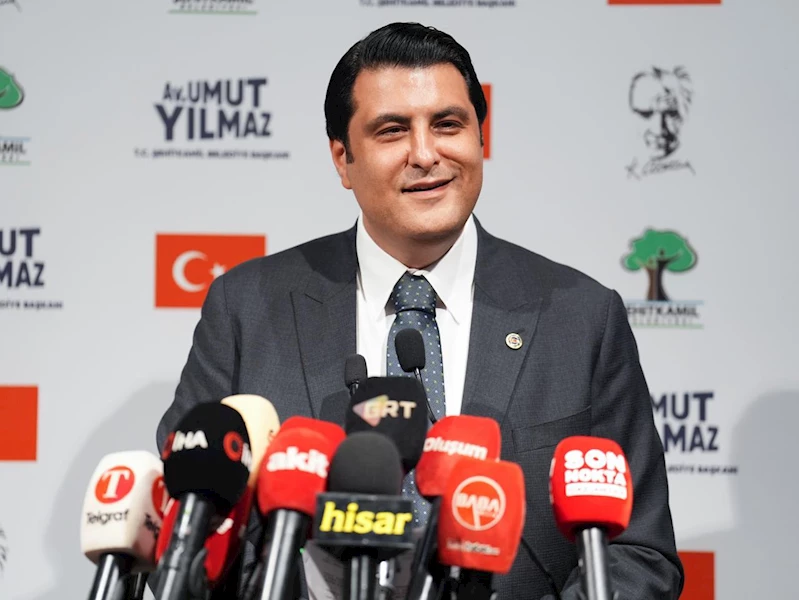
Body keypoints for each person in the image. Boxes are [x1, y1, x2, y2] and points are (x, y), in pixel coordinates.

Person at [157, 22, 684, 599]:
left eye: (448, 124)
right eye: (392, 131)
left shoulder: (581, 319)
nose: (426, 154)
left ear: (479, 137)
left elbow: (638, 554)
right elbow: (185, 534)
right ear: (342, 159)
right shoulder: (246, 308)